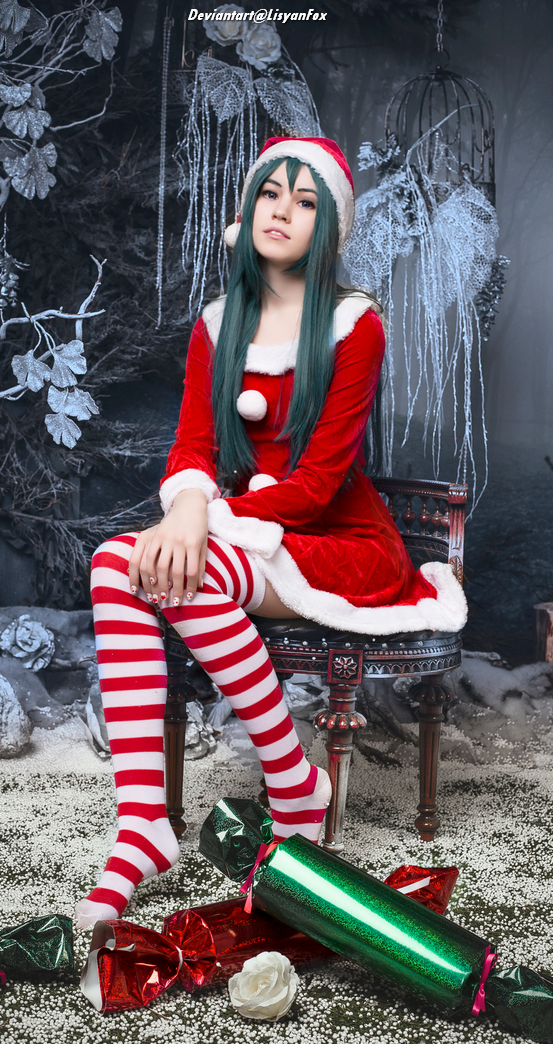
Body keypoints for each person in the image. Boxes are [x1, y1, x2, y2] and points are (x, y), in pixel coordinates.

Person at [75, 137, 466, 930]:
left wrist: (203, 521)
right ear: (248, 207)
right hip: (255, 535)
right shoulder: (219, 325)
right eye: (271, 193)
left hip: (343, 546)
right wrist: (185, 509)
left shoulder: (356, 326)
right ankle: (141, 821)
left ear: (327, 228)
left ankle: (291, 782)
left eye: (306, 201)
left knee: (185, 570)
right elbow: (193, 446)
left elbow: (319, 486)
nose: (283, 211)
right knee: (116, 564)